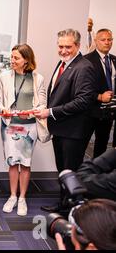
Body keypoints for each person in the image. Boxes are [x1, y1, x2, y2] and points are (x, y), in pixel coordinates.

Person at [34, 29, 97, 213]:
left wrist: (50, 112)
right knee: (63, 170)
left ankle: (71, 211)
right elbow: (59, 93)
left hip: (73, 132)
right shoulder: (64, 63)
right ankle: (63, 204)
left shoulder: (84, 67)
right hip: (61, 129)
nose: (63, 50)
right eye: (60, 46)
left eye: (68, 47)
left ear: (77, 46)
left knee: (70, 172)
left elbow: (83, 101)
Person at [0, 44, 50, 216]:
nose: (12, 60)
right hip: (10, 126)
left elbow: (42, 103)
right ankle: (12, 196)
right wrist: (3, 109)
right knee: (12, 162)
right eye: (11, 57)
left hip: (29, 127)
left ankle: (22, 198)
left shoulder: (37, 78)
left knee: (25, 164)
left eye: (16, 58)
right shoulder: (3, 76)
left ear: (26, 60)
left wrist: (33, 113)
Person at [84, 29, 115, 158]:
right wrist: (100, 97)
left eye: (109, 39)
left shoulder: (114, 60)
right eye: (103, 40)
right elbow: (82, 89)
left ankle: (96, 173)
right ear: (96, 41)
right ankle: (79, 174)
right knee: (82, 144)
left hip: (108, 111)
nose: (107, 42)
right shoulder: (86, 61)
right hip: (90, 110)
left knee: (101, 145)